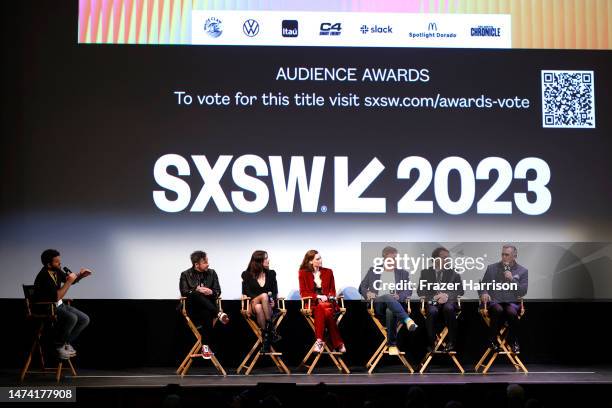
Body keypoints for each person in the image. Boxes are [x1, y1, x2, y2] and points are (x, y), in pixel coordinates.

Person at [33, 249, 92, 360]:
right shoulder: (44, 275)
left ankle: (65, 343)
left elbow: (69, 280)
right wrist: (69, 282)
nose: (60, 263)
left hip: (58, 306)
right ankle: (58, 346)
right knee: (72, 318)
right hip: (46, 307)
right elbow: (56, 297)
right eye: (56, 262)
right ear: (48, 264)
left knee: (85, 319)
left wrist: (81, 275)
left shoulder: (57, 270)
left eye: (59, 261)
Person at [359, 246, 417, 356]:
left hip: (396, 306)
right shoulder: (373, 270)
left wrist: (399, 296)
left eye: (395, 258)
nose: (393, 261)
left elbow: (408, 290)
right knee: (386, 296)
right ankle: (407, 320)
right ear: (384, 258)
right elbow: (361, 287)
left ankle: (392, 345)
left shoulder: (403, 273)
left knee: (391, 310)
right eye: (390, 258)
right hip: (377, 305)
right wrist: (367, 293)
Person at [179, 251, 229, 359]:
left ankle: (205, 347)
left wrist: (210, 292)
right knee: (196, 293)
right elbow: (184, 292)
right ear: (196, 264)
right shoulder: (185, 274)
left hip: (208, 309)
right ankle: (219, 313)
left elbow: (217, 291)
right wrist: (197, 289)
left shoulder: (212, 273)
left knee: (207, 312)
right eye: (205, 262)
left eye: (207, 261)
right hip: (193, 309)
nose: (208, 264)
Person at [479, 244, 528, 353]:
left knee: (511, 312)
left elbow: (523, 291)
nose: (504, 257)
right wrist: (484, 293)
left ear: (514, 256)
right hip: (494, 301)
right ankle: (492, 341)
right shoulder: (492, 268)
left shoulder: (522, 271)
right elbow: (482, 286)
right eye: (503, 254)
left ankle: (513, 341)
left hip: (511, 302)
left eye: (507, 255)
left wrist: (512, 279)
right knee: (498, 309)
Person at [298, 250, 346, 353]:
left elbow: (332, 291)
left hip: (328, 303)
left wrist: (327, 297)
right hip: (313, 304)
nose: (321, 260)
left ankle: (319, 341)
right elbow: (303, 293)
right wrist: (317, 296)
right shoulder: (303, 273)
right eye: (317, 259)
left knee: (323, 307)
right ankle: (338, 342)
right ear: (310, 261)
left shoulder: (328, 272)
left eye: (320, 258)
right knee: (324, 310)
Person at [417, 247, 464, 352]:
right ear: (435, 259)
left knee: (449, 308)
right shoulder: (426, 272)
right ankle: (432, 342)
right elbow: (420, 291)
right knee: (432, 310)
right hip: (433, 301)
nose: (447, 260)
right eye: (444, 258)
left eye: (448, 258)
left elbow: (460, 291)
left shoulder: (453, 273)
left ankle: (451, 342)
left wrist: (446, 295)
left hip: (448, 301)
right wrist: (434, 297)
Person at [241, 250, 280, 353]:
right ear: (259, 262)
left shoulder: (271, 274)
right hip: (252, 305)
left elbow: (275, 292)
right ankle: (271, 329)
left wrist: (274, 301)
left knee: (259, 307)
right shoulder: (247, 274)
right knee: (263, 296)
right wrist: (264, 298)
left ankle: (266, 337)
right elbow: (247, 293)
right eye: (266, 259)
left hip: (267, 308)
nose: (268, 260)